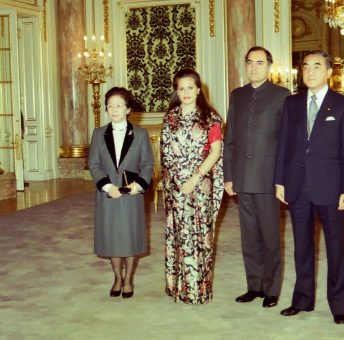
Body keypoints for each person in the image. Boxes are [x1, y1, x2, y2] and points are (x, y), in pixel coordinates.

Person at [274, 50, 344, 324]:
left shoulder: (343, 105)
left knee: (335, 247)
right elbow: (283, 145)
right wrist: (279, 180)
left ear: (329, 72)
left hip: (331, 188)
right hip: (297, 186)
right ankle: (302, 300)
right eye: (305, 67)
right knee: (302, 247)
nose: (309, 72)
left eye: (316, 67)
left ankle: (338, 305)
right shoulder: (291, 103)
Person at [223, 46, 290, 308]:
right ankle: (254, 286)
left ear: (269, 66)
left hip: (268, 178)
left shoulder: (282, 96)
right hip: (242, 178)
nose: (254, 67)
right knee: (249, 236)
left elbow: (286, 142)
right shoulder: (237, 95)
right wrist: (229, 176)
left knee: (271, 236)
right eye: (250, 62)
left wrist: (282, 179)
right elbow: (230, 140)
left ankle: (272, 289)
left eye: (259, 63)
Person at [161, 68, 223, 304]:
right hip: (176, 186)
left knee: (200, 235)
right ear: (176, 92)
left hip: (201, 185)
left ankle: (198, 289)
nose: (186, 92)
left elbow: (215, 152)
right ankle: (178, 287)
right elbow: (165, 153)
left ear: (198, 89)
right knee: (179, 235)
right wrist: (177, 182)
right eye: (181, 88)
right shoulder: (170, 118)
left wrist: (195, 178)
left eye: (190, 87)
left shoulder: (211, 118)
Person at [88, 86, 154, 299]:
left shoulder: (141, 134)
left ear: (128, 109)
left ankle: (128, 280)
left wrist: (138, 185)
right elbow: (94, 164)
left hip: (131, 194)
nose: (114, 109)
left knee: (129, 238)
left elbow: (147, 164)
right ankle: (117, 277)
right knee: (112, 238)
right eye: (110, 106)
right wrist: (107, 186)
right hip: (108, 194)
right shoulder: (98, 134)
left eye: (118, 105)